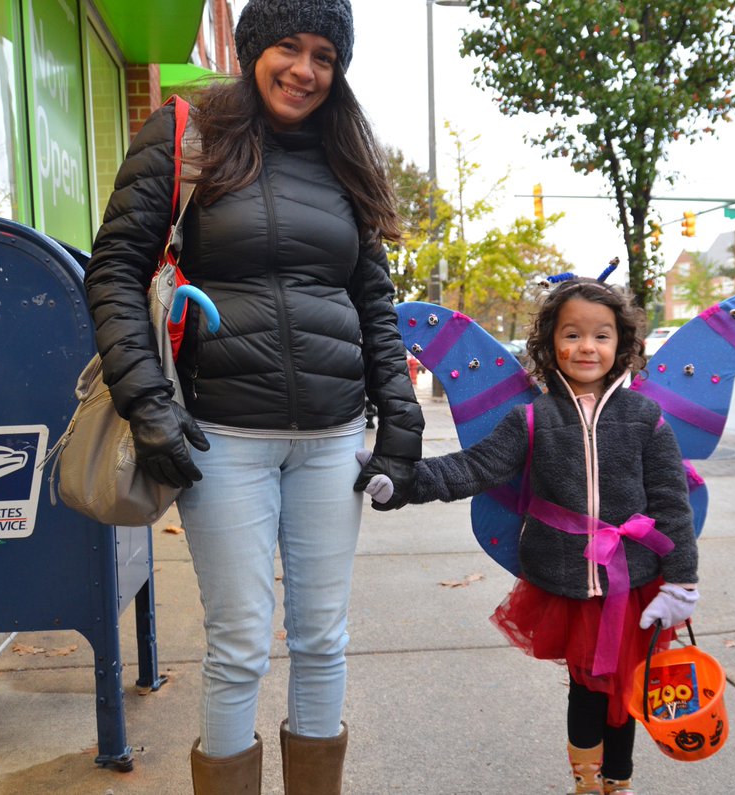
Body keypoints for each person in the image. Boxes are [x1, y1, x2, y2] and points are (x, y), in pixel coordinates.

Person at [82, 1, 423, 792]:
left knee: (322, 640)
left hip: (332, 440)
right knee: (238, 644)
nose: (306, 70)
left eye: (325, 56)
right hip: (223, 436)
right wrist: (148, 403)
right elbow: (115, 273)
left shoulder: (344, 155)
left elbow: (373, 300)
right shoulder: (187, 134)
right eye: (288, 48)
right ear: (251, 49)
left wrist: (400, 425)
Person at [401, 279, 699, 794]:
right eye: (573, 334)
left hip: (633, 584)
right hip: (566, 584)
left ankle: (618, 783)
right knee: (585, 690)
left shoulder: (646, 419)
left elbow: (672, 504)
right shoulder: (533, 418)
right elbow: (476, 467)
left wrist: (681, 583)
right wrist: (405, 483)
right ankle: (586, 784)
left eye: (602, 336)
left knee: (624, 690)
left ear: (621, 345)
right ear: (550, 344)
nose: (587, 347)